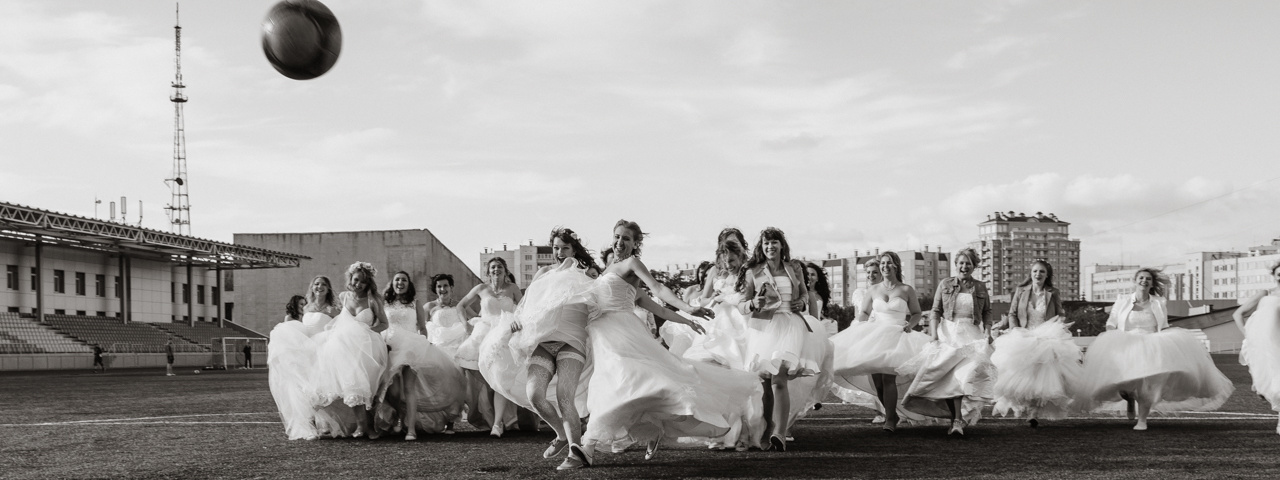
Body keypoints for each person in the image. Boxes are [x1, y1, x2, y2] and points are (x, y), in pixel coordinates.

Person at [570, 220, 762, 470]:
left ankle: (588, 447)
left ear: (635, 243)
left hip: (622, 333)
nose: (619, 242)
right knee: (615, 386)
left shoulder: (632, 264)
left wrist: (688, 311)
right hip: (601, 336)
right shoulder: (607, 271)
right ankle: (644, 431)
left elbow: (658, 292)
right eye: (617, 237)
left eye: (626, 238)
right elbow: (644, 303)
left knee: (628, 382)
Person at [481, 227, 599, 464]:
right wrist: (517, 319)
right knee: (534, 395)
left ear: (574, 249)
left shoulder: (587, 274)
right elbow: (526, 304)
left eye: (565, 248)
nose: (559, 252)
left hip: (572, 343)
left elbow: (597, 305)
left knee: (565, 396)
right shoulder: (544, 272)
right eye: (556, 247)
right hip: (545, 344)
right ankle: (561, 434)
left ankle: (575, 453)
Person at [1077, 267, 1233, 430]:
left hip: (1151, 343)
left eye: (1148, 279)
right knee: (1125, 382)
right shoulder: (1123, 300)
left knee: (1149, 385)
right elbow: (1112, 322)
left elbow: (1163, 325)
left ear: (1152, 283)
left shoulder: (1159, 302)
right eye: (1141, 278)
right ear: (1135, 281)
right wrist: (1112, 336)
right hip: (1127, 344)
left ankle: (1142, 420)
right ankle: (1129, 397)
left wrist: (1170, 345)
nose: (1144, 281)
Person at [735, 227, 824, 452]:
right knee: (766, 387)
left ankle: (780, 434)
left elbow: (804, 292)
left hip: (790, 326)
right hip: (764, 329)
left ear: (781, 245)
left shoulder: (793, 267)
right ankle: (767, 430)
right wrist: (753, 304)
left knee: (779, 379)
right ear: (761, 247)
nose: (770, 246)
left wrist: (802, 303)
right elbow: (742, 304)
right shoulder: (753, 271)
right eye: (766, 243)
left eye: (774, 242)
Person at [898, 247, 997, 437]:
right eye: (960, 263)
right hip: (949, 333)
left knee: (965, 375)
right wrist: (934, 335)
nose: (964, 266)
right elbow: (935, 310)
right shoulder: (945, 284)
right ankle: (957, 420)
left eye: (968, 263)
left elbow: (987, 312)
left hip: (972, 335)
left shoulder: (981, 287)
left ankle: (959, 418)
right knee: (950, 377)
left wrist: (988, 331)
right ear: (956, 265)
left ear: (974, 266)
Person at [830, 253, 931, 431]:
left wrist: (911, 324)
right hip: (875, 334)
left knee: (888, 377)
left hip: (898, 334)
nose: (885, 266)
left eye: (888, 263)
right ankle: (891, 413)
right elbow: (864, 313)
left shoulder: (906, 290)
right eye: (883, 263)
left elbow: (916, 313)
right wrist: (860, 326)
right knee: (877, 382)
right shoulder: (873, 290)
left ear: (896, 266)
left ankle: (890, 420)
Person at [375, 271, 467, 440]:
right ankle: (399, 419)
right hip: (390, 347)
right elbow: (380, 323)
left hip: (411, 347)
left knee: (409, 388)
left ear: (408, 284)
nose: (400, 283)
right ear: (392, 283)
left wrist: (423, 345)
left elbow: (422, 327)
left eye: (404, 280)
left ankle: (411, 430)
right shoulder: (384, 303)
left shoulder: (415, 303)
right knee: (394, 390)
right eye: (397, 280)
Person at [991, 260, 1083, 427]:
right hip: (1024, 334)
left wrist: (1059, 325)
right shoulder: (1021, 291)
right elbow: (1012, 313)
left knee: (1043, 375)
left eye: (1041, 272)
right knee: (1024, 375)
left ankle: (1033, 412)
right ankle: (1027, 406)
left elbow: (1060, 313)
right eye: (1035, 271)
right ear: (1030, 273)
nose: (1038, 274)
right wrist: (1014, 330)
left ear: (1047, 275)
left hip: (1046, 336)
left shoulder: (1052, 293)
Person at [311, 262, 390, 438]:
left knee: (367, 387)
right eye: (355, 280)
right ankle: (361, 426)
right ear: (350, 279)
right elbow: (340, 319)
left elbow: (384, 324)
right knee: (351, 384)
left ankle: (370, 425)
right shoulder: (344, 296)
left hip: (367, 348)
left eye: (362, 281)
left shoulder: (373, 300)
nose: (358, 284)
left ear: (368, 283)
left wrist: (366, 333)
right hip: (344, 347)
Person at [454, 257, 523, 437]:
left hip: (504, 335)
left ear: (505, 270)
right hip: (482, 334)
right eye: (492, 267)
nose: (496, 270)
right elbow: (460, 306)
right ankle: (492, 417)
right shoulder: (481, 289)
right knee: (487, 379)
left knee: (499, 376)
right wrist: (466, 325)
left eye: (499, 266)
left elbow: (524, 309)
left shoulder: (513, 289)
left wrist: (517, 323)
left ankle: (498, 424)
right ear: (487, 271)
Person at [1234, 259, 1280, 434]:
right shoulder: (1265, 294)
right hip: (1269, 346)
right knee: (1275, 385)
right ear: (1274, 274)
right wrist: (1250, 336)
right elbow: (1238, 314)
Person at [269, 294, 322, 440]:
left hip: (308, 358)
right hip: (296, 361)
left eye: (304, 304)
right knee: (299, 394)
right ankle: (306, 427)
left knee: (313, 392)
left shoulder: (308, 318)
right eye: (300, 304)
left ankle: (318, 425)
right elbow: (288, 342)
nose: (302, 306)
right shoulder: (289, 319)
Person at [424, 274, 469, 359]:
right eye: (439, 286)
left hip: (459, 346)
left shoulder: (460, 305)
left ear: (451, 287)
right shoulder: (429, 306)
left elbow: (476, 317)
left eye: (445, 286)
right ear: (435, 289)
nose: (442, 289)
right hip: (439, 348)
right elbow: (421, 327)